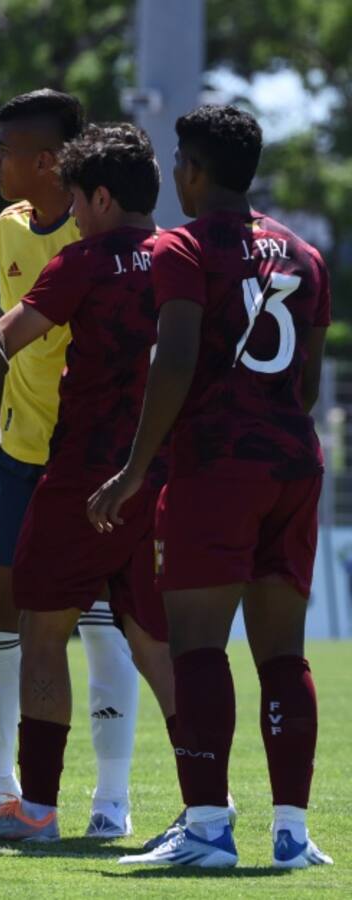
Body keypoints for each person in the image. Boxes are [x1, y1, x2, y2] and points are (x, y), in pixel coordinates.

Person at [89, 105, 333, 870]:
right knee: (283, 655)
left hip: (215, 464)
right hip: (293, 460)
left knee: (197, 646)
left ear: (192, 169)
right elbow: (313, 376)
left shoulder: (183, 246)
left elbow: (176, 357)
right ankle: (292, 835)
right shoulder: (305, 253)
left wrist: (133, 472)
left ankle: (205, 830)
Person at [0, 124, 178, 841]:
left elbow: (5, 340)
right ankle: (208, 805)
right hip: (163, 474)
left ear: (105, 197)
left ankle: (41, 808)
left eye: (82, 201)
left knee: (43, 631)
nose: (76, 215)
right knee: (153, 641)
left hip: (84, 473)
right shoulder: (187, 259)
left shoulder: (83, 262)